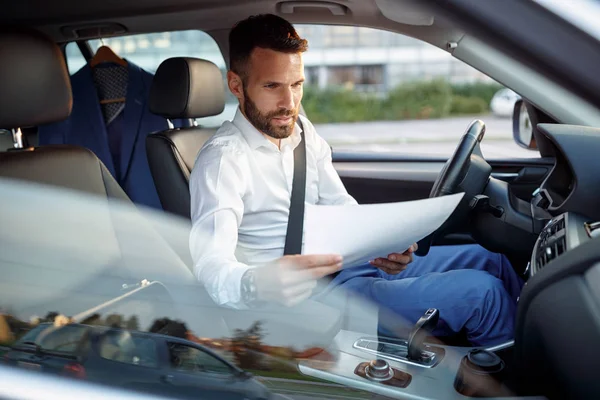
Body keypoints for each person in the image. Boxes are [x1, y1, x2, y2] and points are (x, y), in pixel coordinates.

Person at [189, 14, 524, 346]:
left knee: (492, 259)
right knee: (484, 295)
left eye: (296, 84)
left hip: (350, 266)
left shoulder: (302, 133)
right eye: (272, 86)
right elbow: (211, 266)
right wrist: (255, 283)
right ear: (236, 85)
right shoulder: (222, 161)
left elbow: (340, 206)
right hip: (314, 300)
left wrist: (383, 246)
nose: (289, 103)